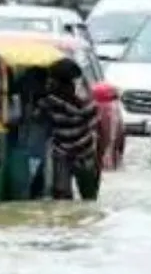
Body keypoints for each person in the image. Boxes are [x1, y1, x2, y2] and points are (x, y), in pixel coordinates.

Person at [35, 57, 101, 200]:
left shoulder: (50, 102)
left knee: (68, 198)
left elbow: (37, 117)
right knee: (86, 198)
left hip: (73, 154)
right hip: (79, 153)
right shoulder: (86, 101)